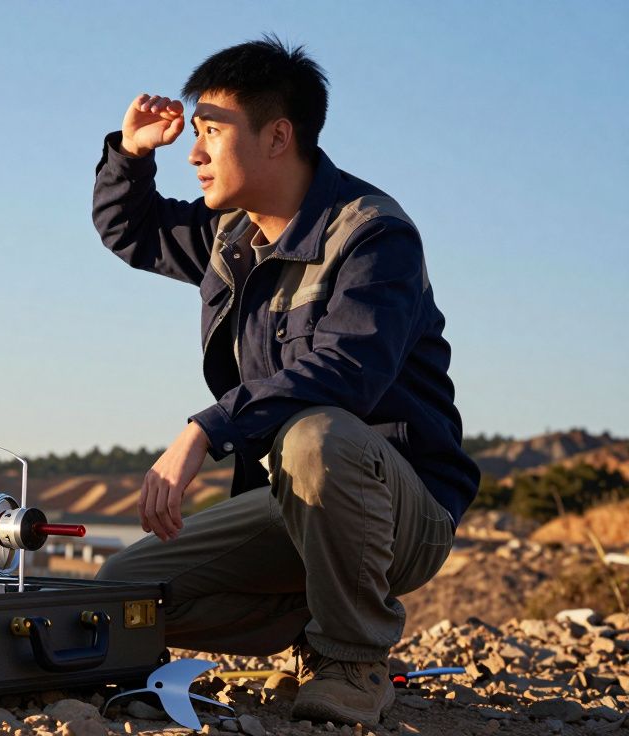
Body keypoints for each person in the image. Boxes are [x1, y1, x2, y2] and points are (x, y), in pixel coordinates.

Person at [91, 36, 480, 726]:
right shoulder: (230, 237)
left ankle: (355, 663)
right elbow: (132, 228)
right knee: (123, 589)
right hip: (295, 505)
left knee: (317, 434)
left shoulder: (372, 235)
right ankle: (312, 629)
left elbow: (346, 374)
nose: (196, 152)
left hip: (399, 511)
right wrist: (132, 152)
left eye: (212, 132)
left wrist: (203, 430)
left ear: (277, 136)